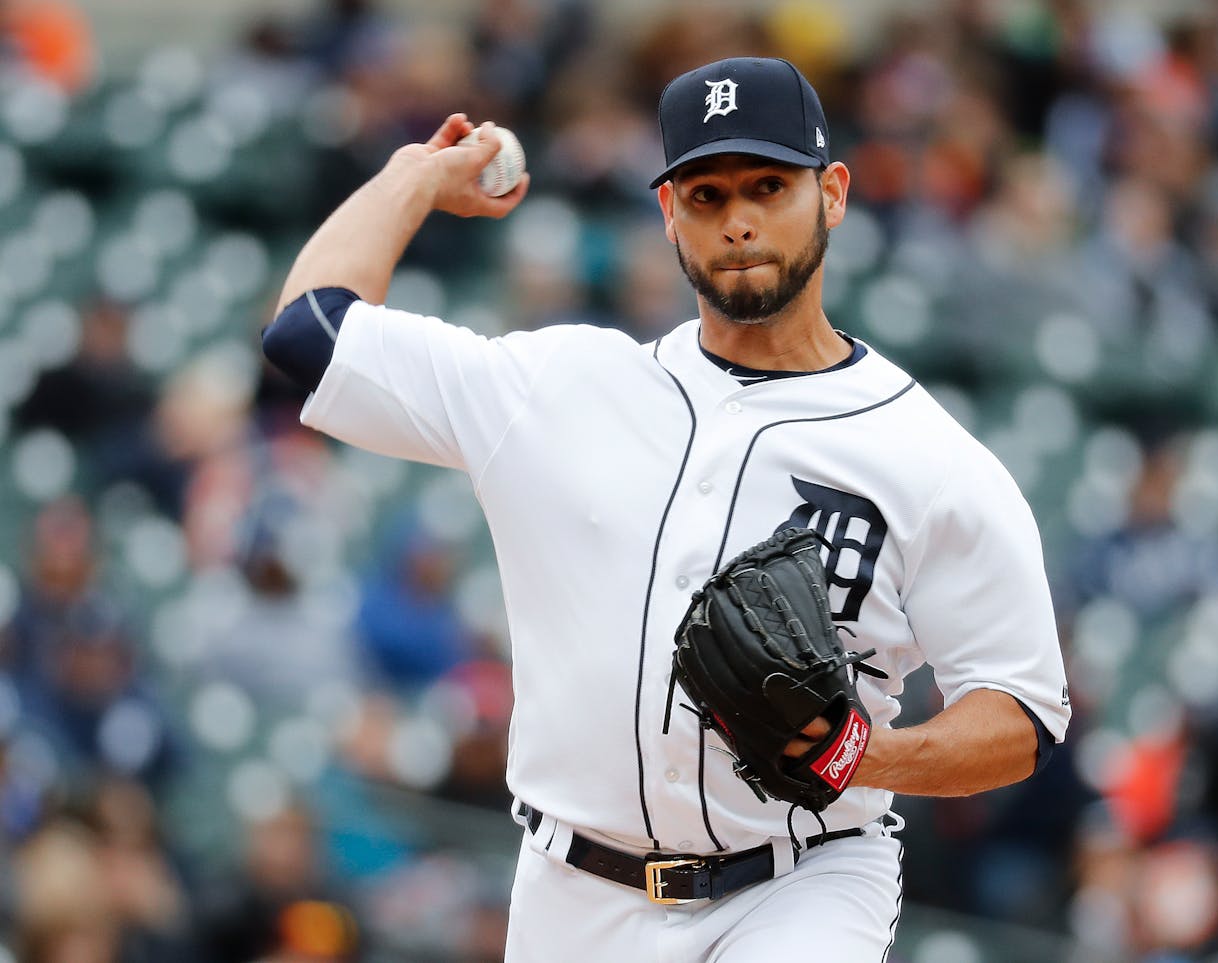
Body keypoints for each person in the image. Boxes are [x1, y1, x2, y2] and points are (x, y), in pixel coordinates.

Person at [262, 56, 1069, 962]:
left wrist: (862, 755)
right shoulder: (559, 387)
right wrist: (414, 175)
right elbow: (309, 333)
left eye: (769, 186)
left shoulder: (927, 456)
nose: (739, 220)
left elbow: (1022, 716)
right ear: (669, 215)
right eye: (706, 195)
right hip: (572, 894)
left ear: (834, 194)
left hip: (800, 882)